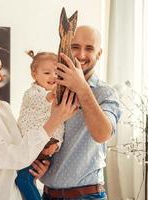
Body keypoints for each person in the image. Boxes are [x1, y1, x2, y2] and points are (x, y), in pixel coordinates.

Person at [0, 42, 78, 200]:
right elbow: (13, 158)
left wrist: (38, 165)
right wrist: (54, 120)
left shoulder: (3, 108)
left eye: (0, 66)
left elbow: (23, 150)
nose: (0, 73)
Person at [41, 25, 122, 200]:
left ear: (99, 54)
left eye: (89, 48)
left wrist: (82, 88)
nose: (81, 55)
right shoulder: (49, 88)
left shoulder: (106, 93)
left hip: (86, 196)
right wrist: (39, 158)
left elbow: (102, 134)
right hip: (47, 194)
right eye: (75, 47)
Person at [15, 51, 65, 200]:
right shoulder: (32, 93)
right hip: (31, 144)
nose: (53, 76)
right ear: (34, 75)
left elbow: (60, 124)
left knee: (24, 179)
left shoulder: (56, 98)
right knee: (24, 179)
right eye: (47, 72)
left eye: (57, 73)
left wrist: (57, 144)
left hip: (46, 144)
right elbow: (40, 100)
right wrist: (52, 96)